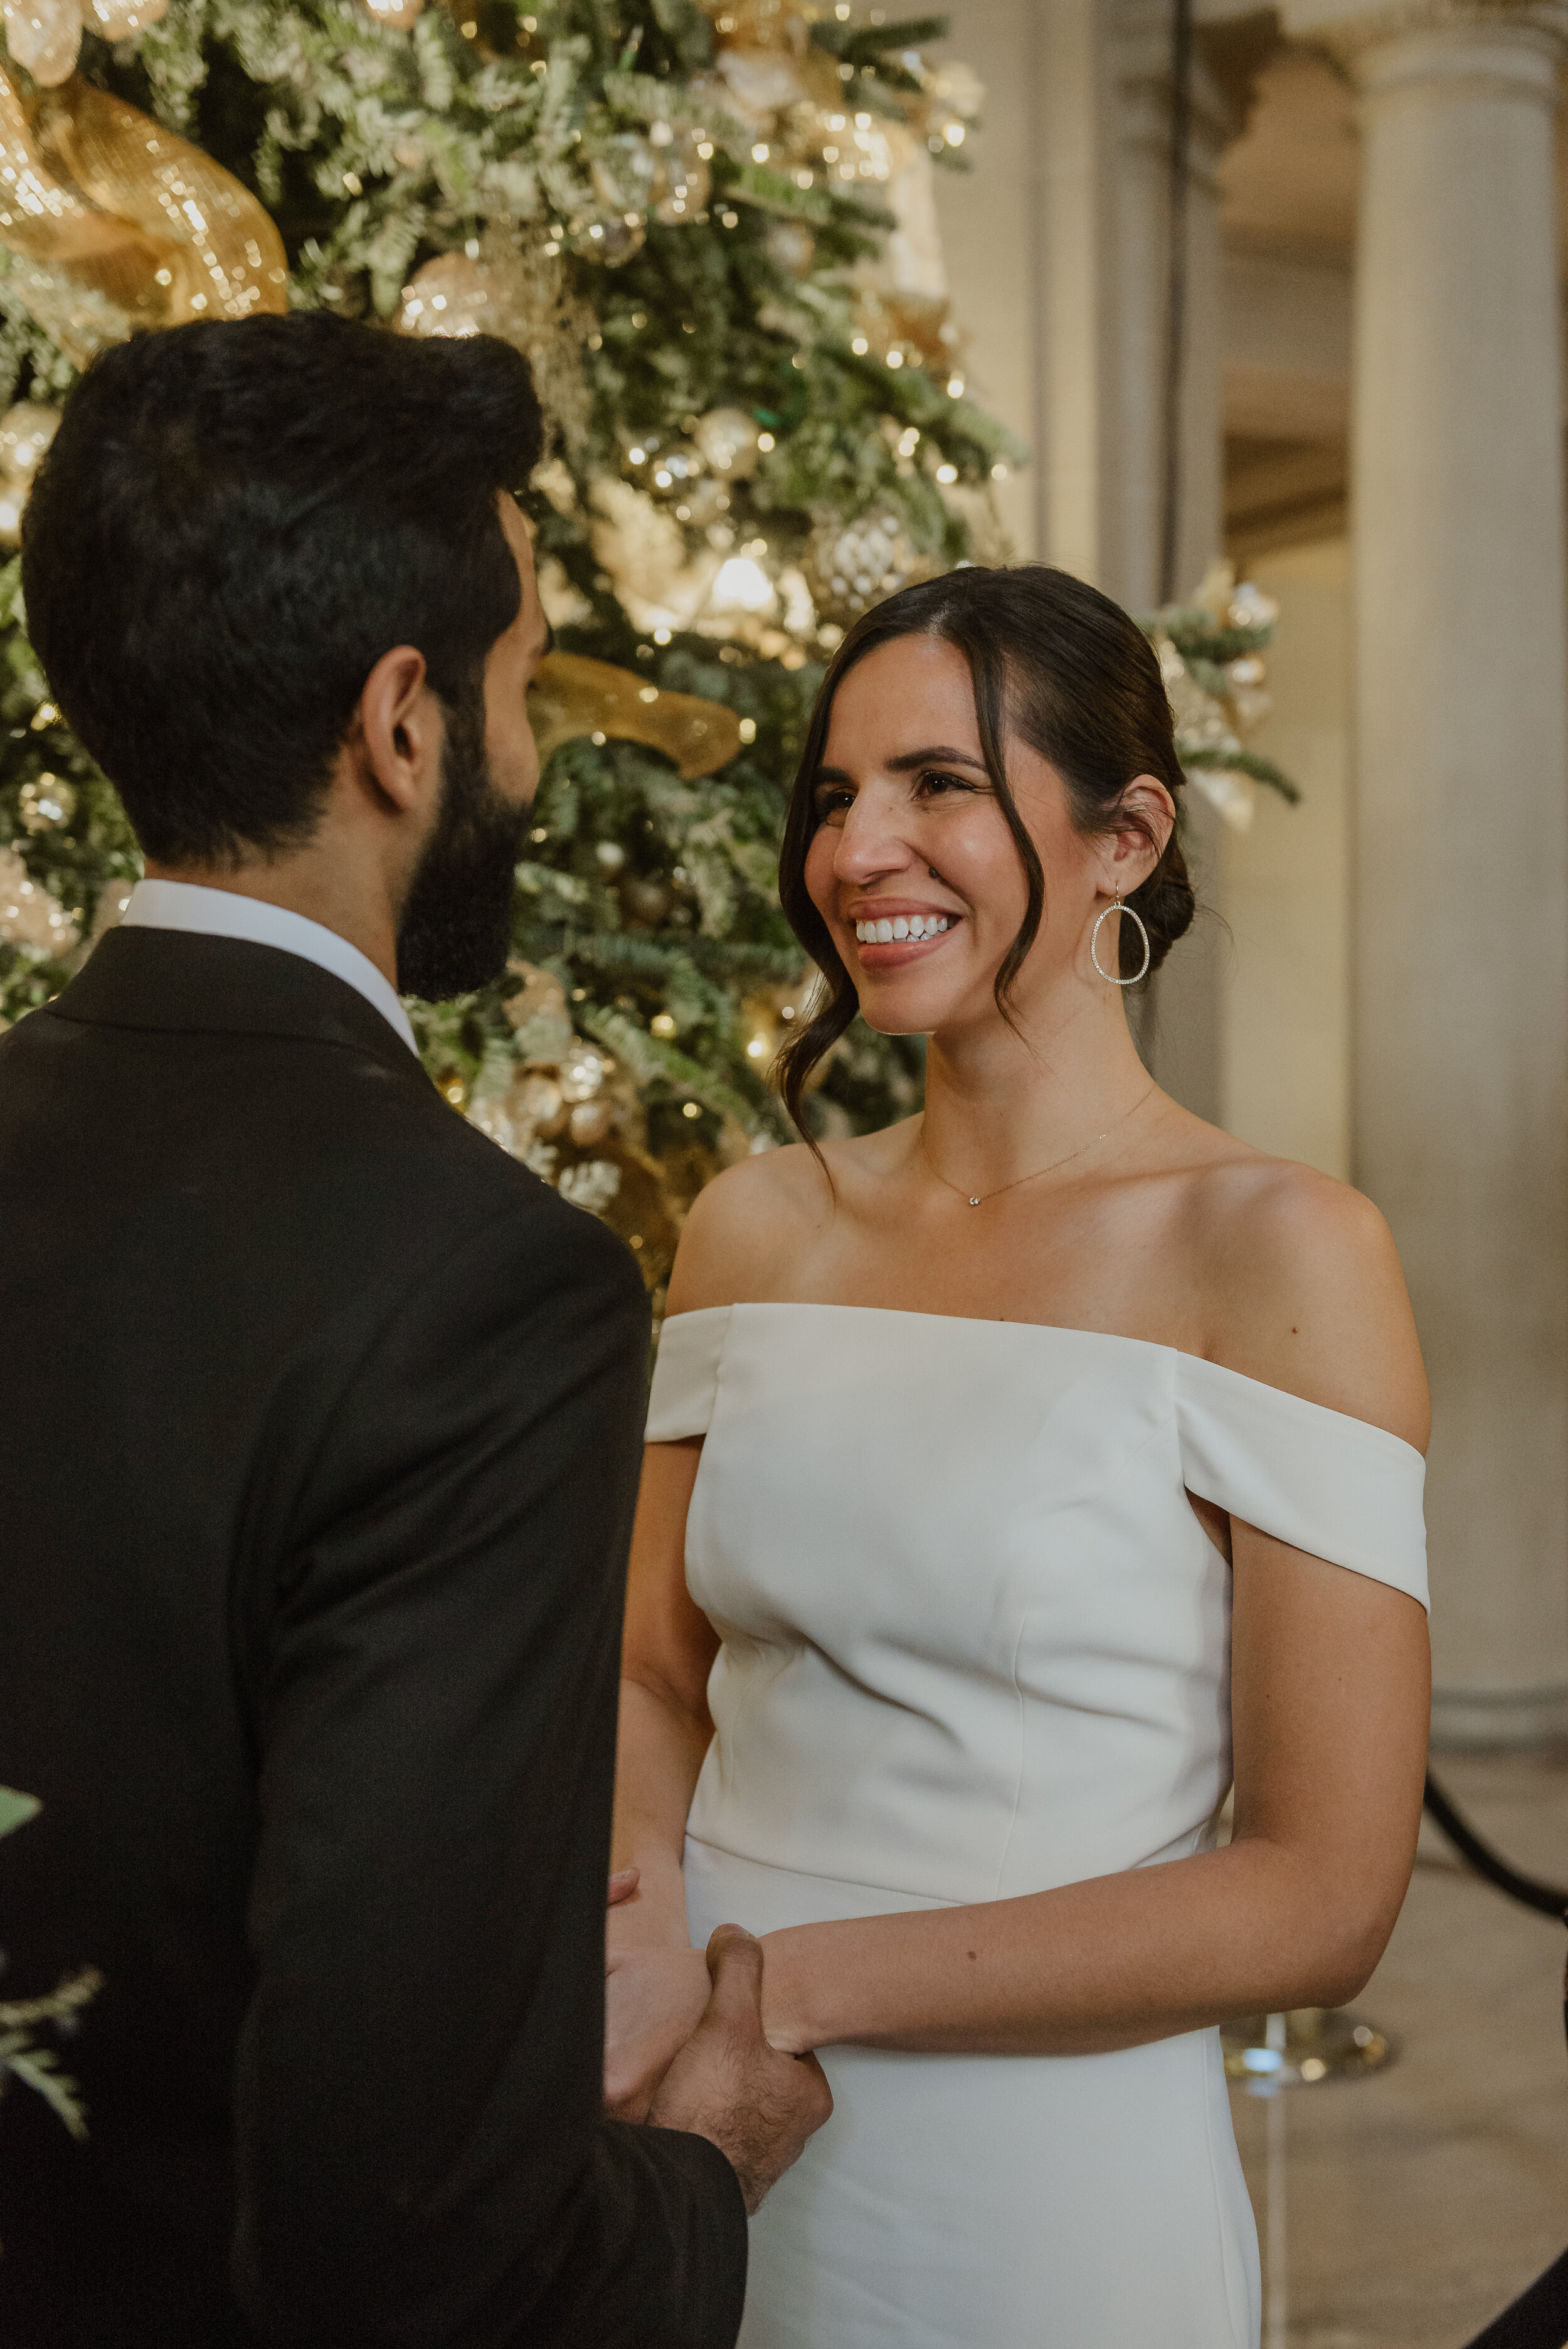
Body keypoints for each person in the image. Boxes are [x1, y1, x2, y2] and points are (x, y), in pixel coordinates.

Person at [0, 313, 827, 2349]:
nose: (529, 754)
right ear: (400, 721)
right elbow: (412, 2246)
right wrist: (700, 2167)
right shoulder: (485, 1292)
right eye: (524, 677)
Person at [605, 565, 1432, 2348]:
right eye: (834, 795)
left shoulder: (1277, 1247)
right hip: (686, 2134)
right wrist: (634, 1941)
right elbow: (651, 1676)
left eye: (938, 785)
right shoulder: (756, 1220)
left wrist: (782, 1987)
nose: (856, 850)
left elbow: (1323, 1888)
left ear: (1124, 835)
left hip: (1035, 2195)